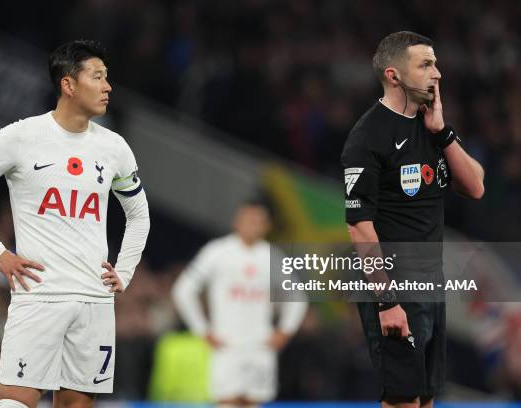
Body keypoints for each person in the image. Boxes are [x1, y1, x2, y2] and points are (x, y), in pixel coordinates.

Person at [0, 40, 150, 408]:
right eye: (98, 77)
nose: (108, 87)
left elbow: (139, 215)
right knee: (15, 402)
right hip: (39, 295)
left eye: (108, 78)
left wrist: (125, 271)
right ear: (68, 84)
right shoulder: (21, 136)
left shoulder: (114, 148)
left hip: (94, 302)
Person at [341, 31, 484, 408]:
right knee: (402, 401)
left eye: (435, 63)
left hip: (431, 283)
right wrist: (387, 301)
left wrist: (444, 132)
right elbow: (359, 225)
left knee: (425, 400)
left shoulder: (430, 127)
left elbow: (475, 186)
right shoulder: (367, 138)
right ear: (394, 75)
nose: (437, 72)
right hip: (394, 288)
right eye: (425, 64)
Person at [172, 200, 308, 406]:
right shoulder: (216, 252)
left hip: (260, 346)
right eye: (248, 219)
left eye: (258, 220)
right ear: (237, 222)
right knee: (227, 402)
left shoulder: (272, 257)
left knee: (254, 403)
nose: (253, 224)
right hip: (227, 345)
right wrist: (202, 330)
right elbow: (183, 291)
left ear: (267, 226)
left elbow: (297, 297)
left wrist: (285, 331)